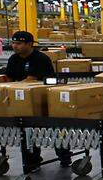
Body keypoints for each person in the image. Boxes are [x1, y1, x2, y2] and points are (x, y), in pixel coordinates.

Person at [6, 31, 71, 171]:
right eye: (13, 43)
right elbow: (9, 79)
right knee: (27, 132)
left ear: (29, 44)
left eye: (18, 43)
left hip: (44, 100)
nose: (15, 46)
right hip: (22, 100)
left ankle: (65, 156)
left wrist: (12, 88)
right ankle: (32, 161)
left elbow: (31, 80)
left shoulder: (40, 58)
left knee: (55, 129)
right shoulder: (13, 59)